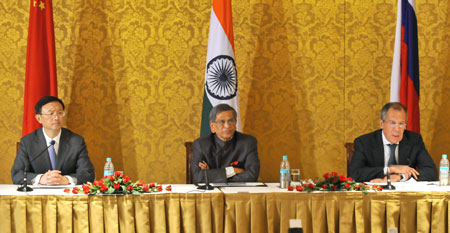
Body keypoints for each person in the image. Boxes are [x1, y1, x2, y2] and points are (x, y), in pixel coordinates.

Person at [11, 96, 95, 185]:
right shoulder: (28, 142)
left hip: (67, 195)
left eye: (60, 113)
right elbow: (17, 174)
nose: (56, 118)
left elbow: (88, 174)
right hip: (38, 195)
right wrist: (40, 179)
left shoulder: (76, 141)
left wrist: (66, 179)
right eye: (51, 113)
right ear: (39, 118)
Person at [349, 102, 437, 182]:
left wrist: (400, 177)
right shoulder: (364, 142)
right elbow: (354, 174)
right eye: (392, 123)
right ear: (381, 124)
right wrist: (390, 170)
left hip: (405, 196)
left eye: (401, 124)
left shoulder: (414, 140)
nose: (397, 129)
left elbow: (431, 172)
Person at [192, 104, 260, 183]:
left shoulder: (248, 142)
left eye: (231, 121)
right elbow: (199, 177)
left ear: (235, 123)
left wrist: (212, 174)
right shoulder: (201, 144)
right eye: (222, 122)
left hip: (239, 192)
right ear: (212, 127)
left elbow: (252, 176)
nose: (227, 126)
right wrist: (233, 170)